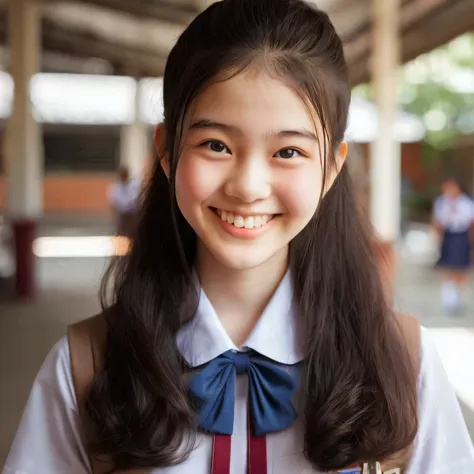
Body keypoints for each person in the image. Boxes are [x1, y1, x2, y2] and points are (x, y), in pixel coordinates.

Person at [4, 1, 474, 473]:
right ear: (166, 152)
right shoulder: (86, 365)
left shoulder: (404, 364)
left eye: (288, 151)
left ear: (331, 168)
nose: (248, 186)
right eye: (216, 145)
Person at [432, 177, 474, 314]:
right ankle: (448, 298)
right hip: (449, 235)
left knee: (461, 267)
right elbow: (438, 220)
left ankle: (457, 297)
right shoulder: (442, 202)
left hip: (462, 236)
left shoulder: (466, 203)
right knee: (449, 267)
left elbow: (470, 222)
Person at [107, 166, 140, 238]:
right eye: (122, 175)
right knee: (122, 235)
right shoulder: (115, 187)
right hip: (121, 215)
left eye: (125, 175)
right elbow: (113, 203)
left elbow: (137, 199)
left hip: (132, 214)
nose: (123, 177)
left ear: (127, 175)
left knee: (132, 234)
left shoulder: (134, 185)